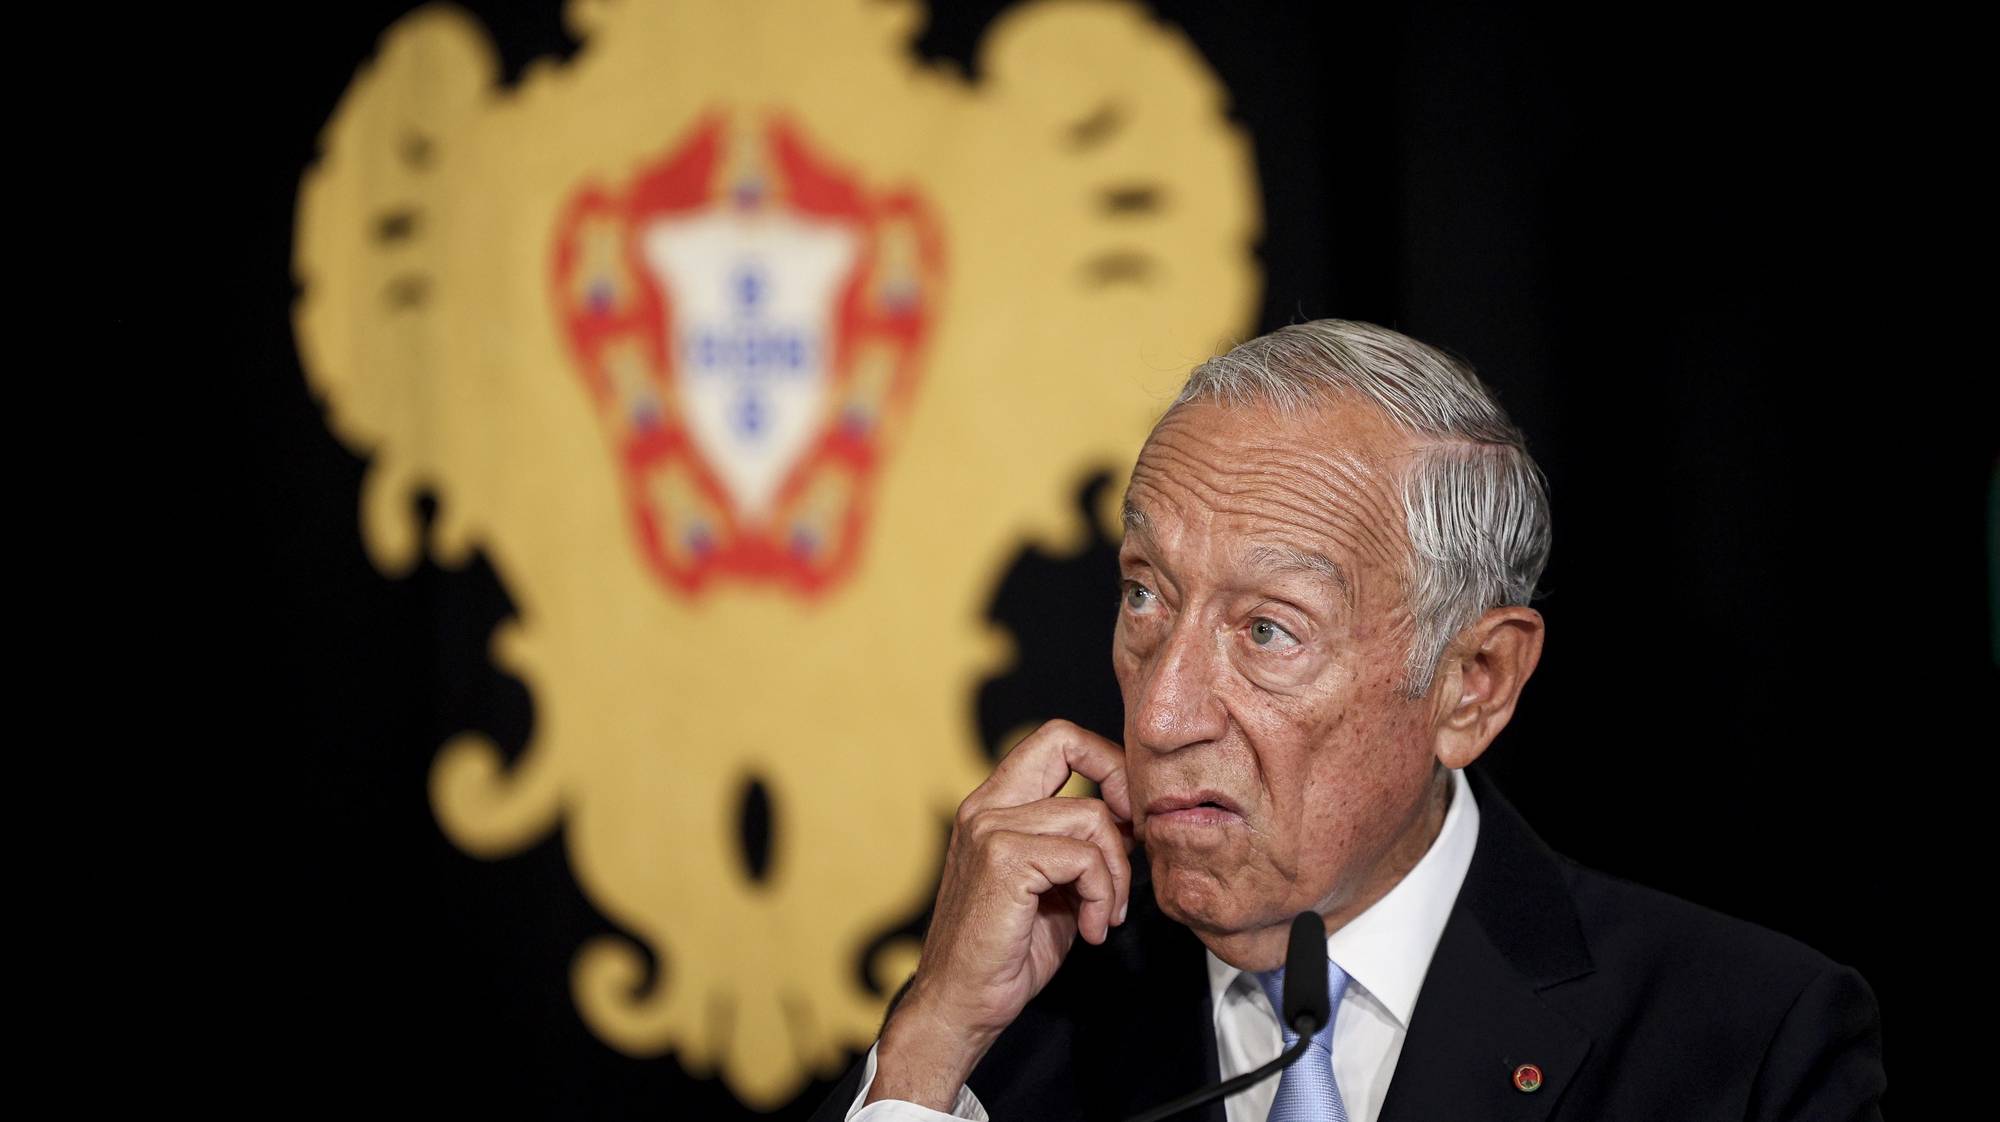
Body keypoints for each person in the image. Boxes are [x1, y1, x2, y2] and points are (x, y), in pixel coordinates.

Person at [811, 320, 1886, 1121]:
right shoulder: (1001, 1021)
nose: (1164, 707)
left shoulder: (1743, 1044)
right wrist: (926, 1053)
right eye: (1145, 594)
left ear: (1472, 683)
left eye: (1268, 631)